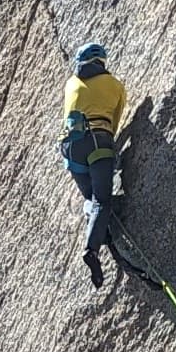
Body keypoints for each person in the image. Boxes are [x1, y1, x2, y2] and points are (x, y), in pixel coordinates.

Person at [62, 41, 130, 283]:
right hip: (98, 141)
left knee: (91, 201)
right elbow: (115, 121)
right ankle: (92, 249)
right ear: (101, 61)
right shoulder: (114, 85)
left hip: (71, 148)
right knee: (102, 200)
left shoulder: (71, 84)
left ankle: (105, 239)